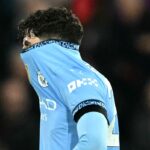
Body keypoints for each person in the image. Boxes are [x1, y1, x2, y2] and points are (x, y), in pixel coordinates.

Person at [17, 7, 120, 150]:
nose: (23, 54)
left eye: (28, 44)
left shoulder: (80, 82)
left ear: (50, 48)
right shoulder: (69, 80)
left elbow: (94, 143)